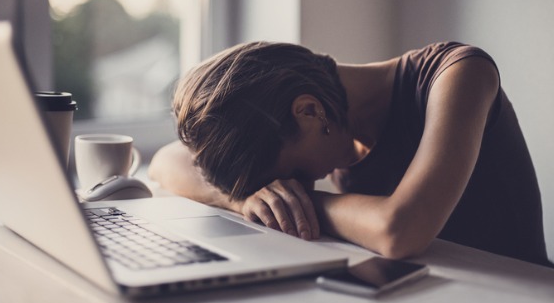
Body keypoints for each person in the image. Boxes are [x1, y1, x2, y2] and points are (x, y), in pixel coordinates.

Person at [148, 41, 551, 267]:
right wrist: (244, 198)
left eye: (292, 174)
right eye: (287, 186)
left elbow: (401, 231)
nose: (294, 187)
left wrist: (303, 204)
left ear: (309, 112)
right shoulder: (281, 109)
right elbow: (166, 161)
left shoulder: (459, 75)